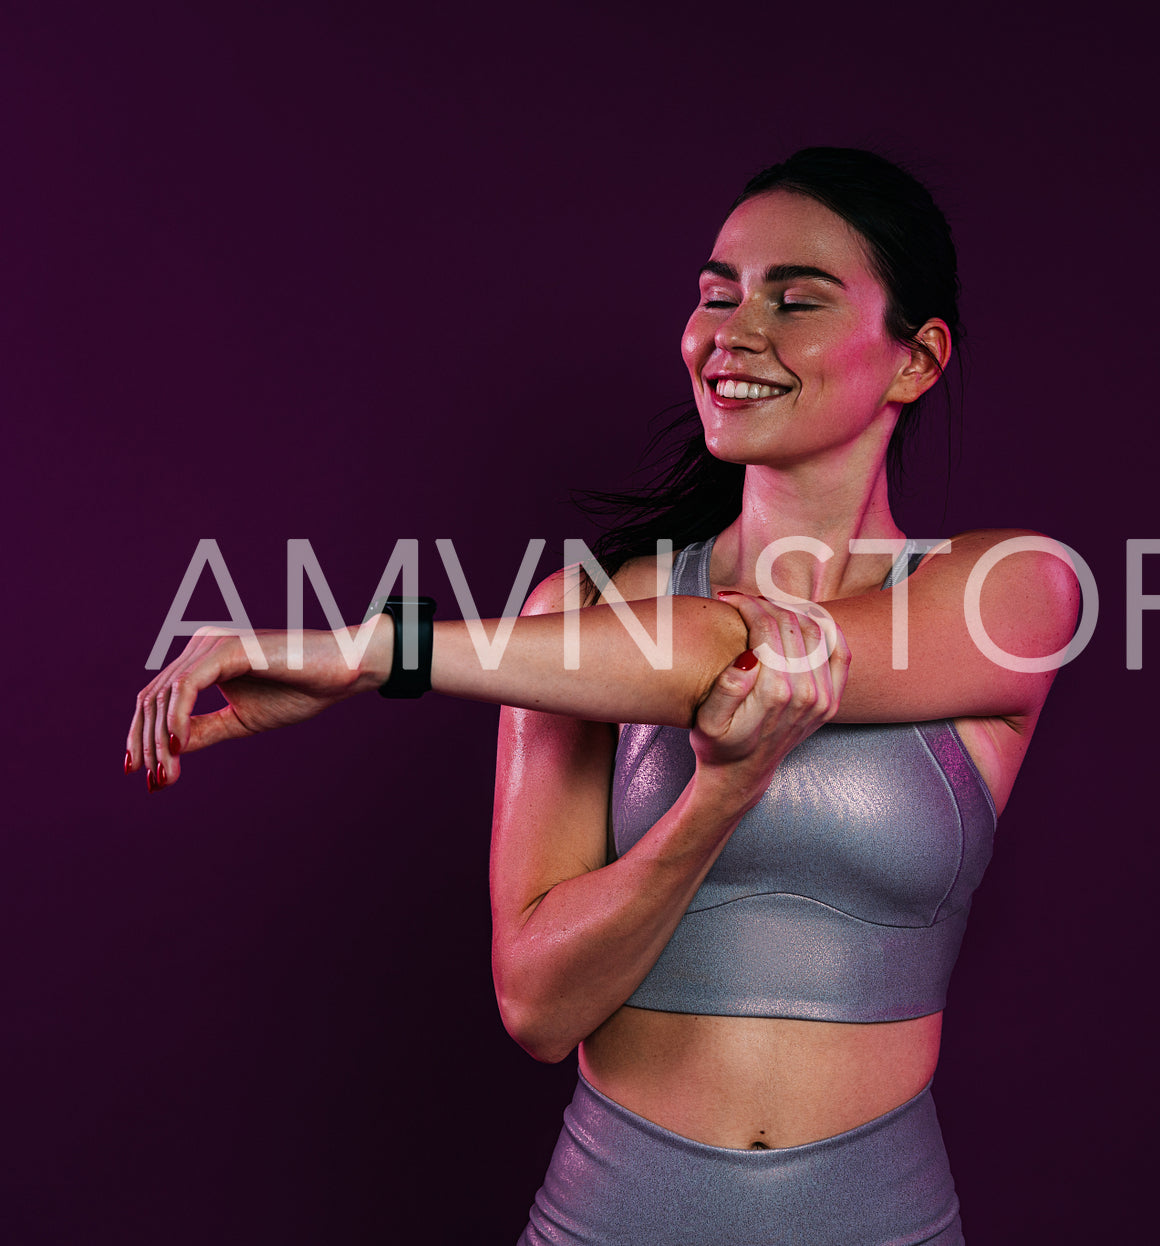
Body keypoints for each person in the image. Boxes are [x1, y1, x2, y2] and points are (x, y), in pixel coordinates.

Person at [125, 148, 1080, 1244]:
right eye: (716, 292)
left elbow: (738, 645)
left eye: (795, 297)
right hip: (613, 1213)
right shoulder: (579, 613)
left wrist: (370, 655)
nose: (732, 329)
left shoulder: (1012, 589)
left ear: (915, 360)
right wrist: (713, 799)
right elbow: (537, 1007)